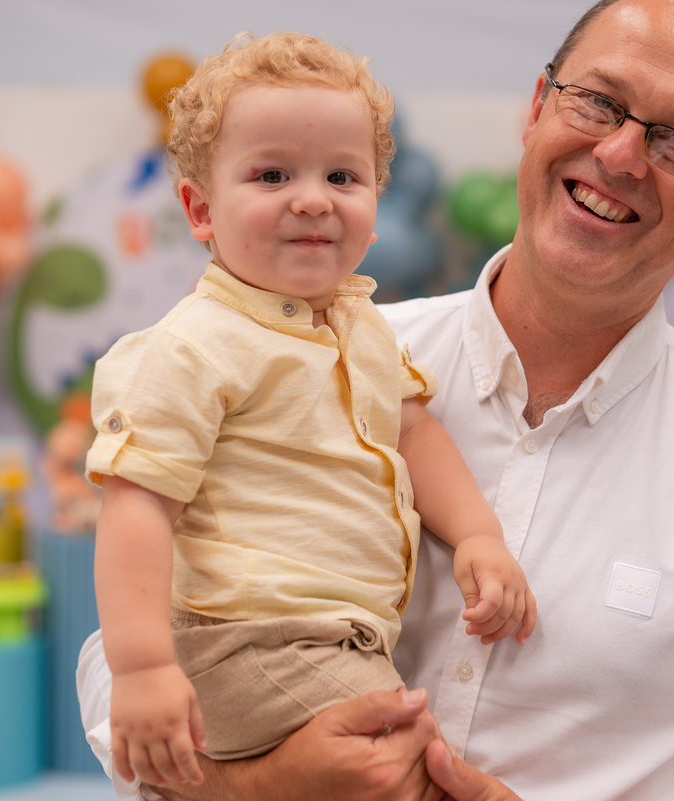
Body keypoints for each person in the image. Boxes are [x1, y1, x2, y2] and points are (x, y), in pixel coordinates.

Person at [78, 2, 674, 799]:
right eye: (598, 102)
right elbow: (114, 660)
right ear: (537, 110)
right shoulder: (319, 358)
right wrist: (252, 787)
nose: (622, 154)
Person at [84, 31, 535, 793]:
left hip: (330, 640)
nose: (313, 197)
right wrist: (144, 667)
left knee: (392, 756)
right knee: (394, 761)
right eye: (271, 174)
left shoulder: (364, 328)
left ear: (375, 203)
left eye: (342, 175)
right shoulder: (195, 345)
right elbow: (137, 505)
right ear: (200, 207)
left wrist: (478, 537)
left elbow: (416, 431)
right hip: (247, 641)